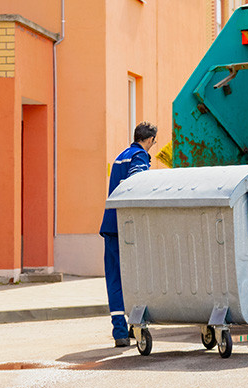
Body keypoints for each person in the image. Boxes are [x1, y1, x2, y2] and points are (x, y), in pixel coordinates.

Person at [100, 122, 157, 348]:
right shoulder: (139, 156)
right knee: (135, 276)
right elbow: (137, 184)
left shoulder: (120, 156)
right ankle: (135, 325)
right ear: (150, 139)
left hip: (110, 223)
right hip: (127, 227)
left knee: (114, 278)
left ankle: (120, 332)